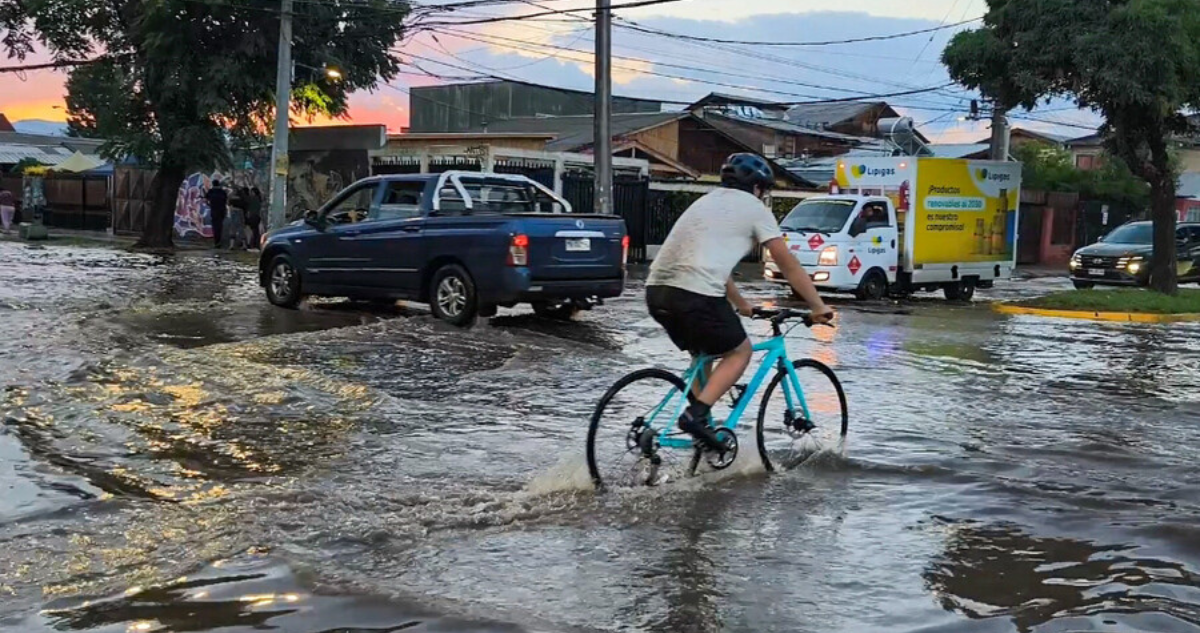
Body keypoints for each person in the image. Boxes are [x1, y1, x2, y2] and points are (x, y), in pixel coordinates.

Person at [646, 153, 835, 454]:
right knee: (740, 352)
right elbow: (787, 264)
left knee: (702, 356)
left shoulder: (706, 203)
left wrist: (743, 305)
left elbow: (712, 269)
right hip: (695, 294)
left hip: (656, 292)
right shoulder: (754, 208)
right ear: (758, 188)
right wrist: (818, 305)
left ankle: (702, 432)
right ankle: (695, 417)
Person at [204, 179, 229, 248]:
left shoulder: (211, 191)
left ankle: (216, 242)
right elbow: (226, 200)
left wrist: (209, 205)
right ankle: (219, 241)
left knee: (215, 226)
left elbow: (206, 200)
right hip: (222, 210)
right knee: (220, 226)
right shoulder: (222, 192)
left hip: (214, 210)